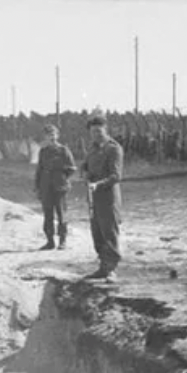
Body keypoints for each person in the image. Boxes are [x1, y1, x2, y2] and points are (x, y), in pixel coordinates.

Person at [82, 114, 124, 281]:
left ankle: (111, 269)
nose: (96, 135)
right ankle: (102, 267)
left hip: (108, 198)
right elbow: (85, 165)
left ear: (105, 130)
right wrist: (84, 173)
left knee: (109, 233)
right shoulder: (92, 148)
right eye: (92, 132)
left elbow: (116, 176)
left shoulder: (114, 149)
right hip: (93, 198)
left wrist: (97, 184)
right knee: (97, 232)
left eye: (99, 131)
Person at [34, 123, 77, 250]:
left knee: (61, 214)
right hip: (46, 187)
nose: (51, 137)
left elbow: (72, 168)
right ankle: (50, 241)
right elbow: (39, 170)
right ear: (45, 137)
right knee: (48, 215)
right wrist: (37, 187)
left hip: (60, 187)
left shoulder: (64, 150)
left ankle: (63, 241)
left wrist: (62, 178)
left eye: (53, 134)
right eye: (48, 135)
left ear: (57, 135)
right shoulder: (43, 151)